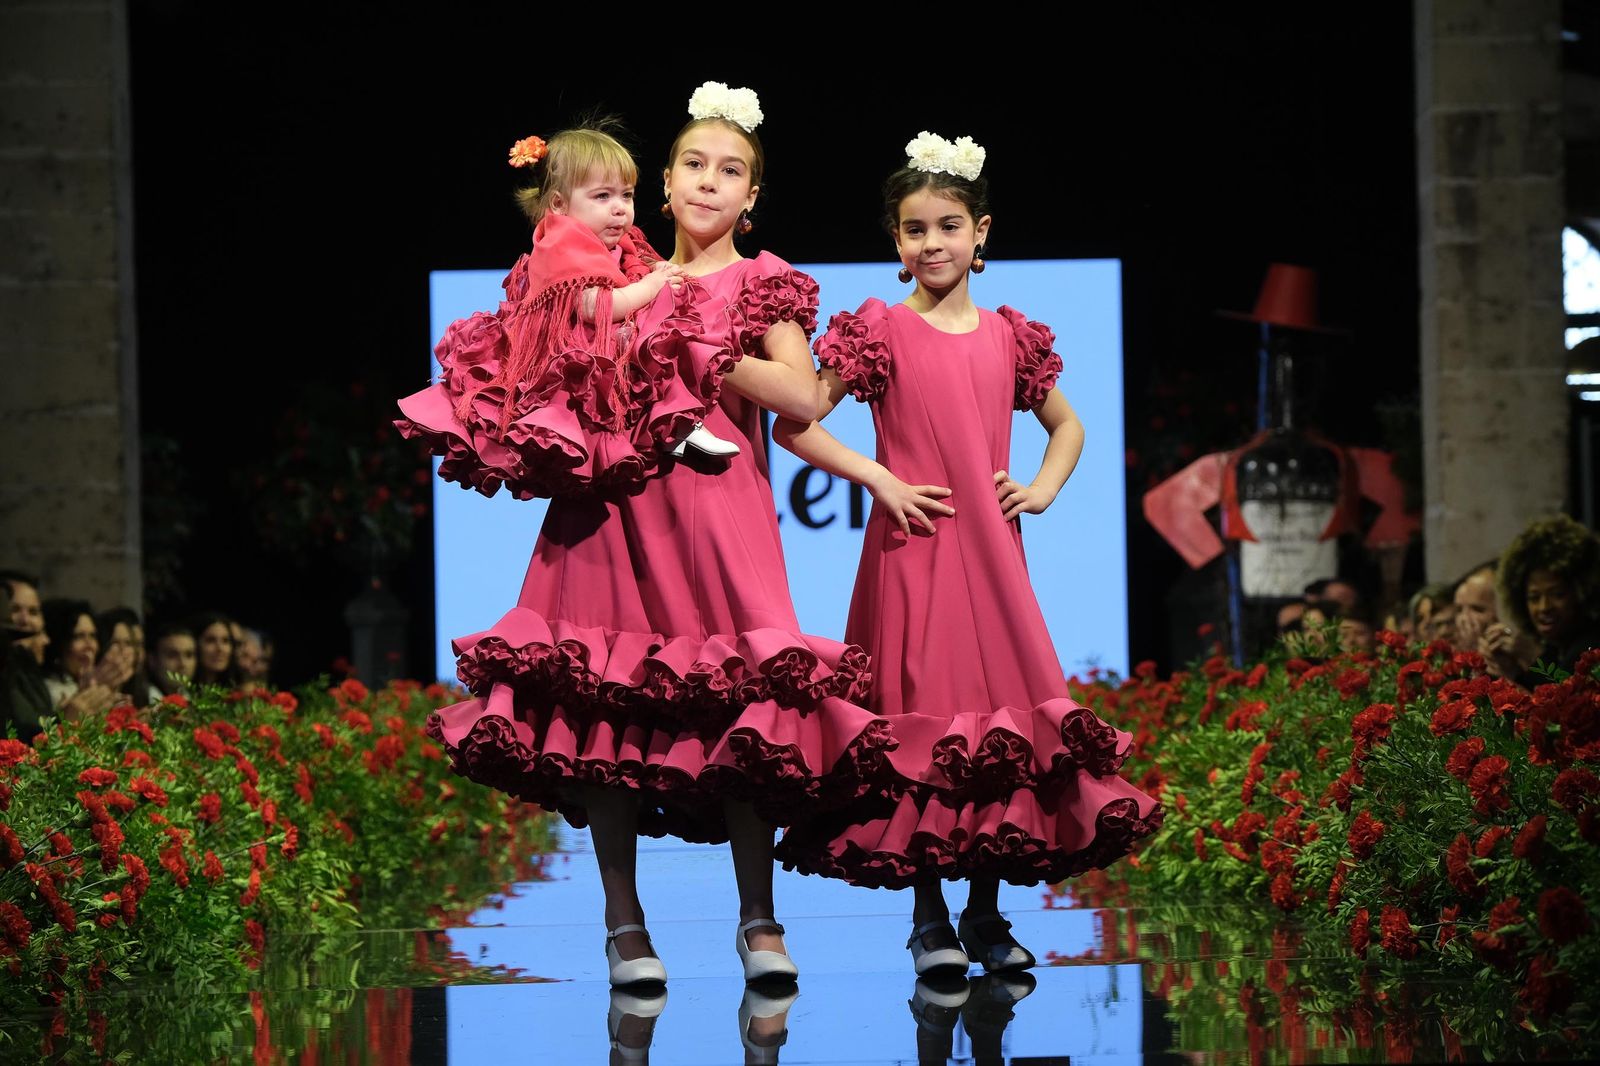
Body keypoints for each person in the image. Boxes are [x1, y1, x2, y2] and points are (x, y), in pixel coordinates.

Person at [423, 84, 883, 995]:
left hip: (723, 518)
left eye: (733, 171)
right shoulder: (605, 269)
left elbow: (798, 401)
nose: (711, 183)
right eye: (695, 166)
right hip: (609, 511)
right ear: (663, 186)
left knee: (746, 702)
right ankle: (623, 923)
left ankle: (758, 919)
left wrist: (707, 355)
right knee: (604, 705)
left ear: (752, 196)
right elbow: (536, 354)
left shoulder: (762, 281)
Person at [771, 132, 1162, 976]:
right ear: (896, 242)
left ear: (982, 232)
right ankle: (929, 919)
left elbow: (1069, 424)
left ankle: (985, 914)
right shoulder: (879, 330)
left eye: (949, 226)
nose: (932, 243)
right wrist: (879, 476)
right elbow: (795, 421)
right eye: (914, 229)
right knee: (923, 723)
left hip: (995, 559)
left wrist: (1044, 488)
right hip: (913, 555)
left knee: (999, 728)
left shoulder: (1011, 337)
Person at [396, 122, 738, 502]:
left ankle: (671, 426)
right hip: (571, 353)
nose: (620, 208)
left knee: (665, 323)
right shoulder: (562, 244)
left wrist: (653, 272)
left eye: (627, 194)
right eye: (603, 196)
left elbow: (631, 267)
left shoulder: (607, 238)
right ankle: (669, 428)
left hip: (602, 344)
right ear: (559, 205)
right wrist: (650, 288)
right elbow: (595, 306)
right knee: (652, 331)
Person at [1494, 514, 1600, 679]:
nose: (1544, 607)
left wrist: (1534, 658)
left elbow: (1569, 697)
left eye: (1557, 594)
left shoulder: (1592, 647)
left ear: (1583, 592)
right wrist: (1509, 669)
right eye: (1534, 598)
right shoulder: (1554, 647)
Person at [40, 598, 122, 721]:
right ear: (59, 642)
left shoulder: (95, 683)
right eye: (78, 636)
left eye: (93, 636)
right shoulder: (48, 691)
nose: (89, 645)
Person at [189, 611, 241, 688]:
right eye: (210, 640)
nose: (220, 648)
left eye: (225, 641)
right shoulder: (182, 692)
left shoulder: (238, 691)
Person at [148, 620, 197, 695]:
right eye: (172, 655)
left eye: (189, 655)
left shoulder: (192, 697)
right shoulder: (143, 699)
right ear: (152, 660)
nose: (182, 664)